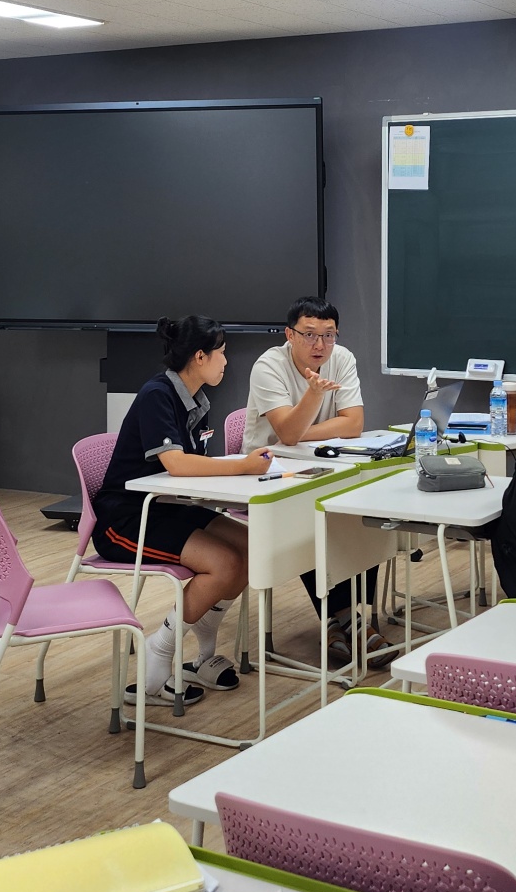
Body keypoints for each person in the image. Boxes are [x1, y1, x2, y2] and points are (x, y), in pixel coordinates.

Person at [93, 315, 272, 705]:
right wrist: (242, 467)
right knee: (224, 563)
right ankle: (159, 655)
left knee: (253, 547)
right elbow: (177, 464)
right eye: (222, 353)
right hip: (126, 520)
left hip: (168, 507)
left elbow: (193, 469)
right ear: (200, 356)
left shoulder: (196, 399)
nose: (226, 361)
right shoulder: (157, 394)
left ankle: (203, 652)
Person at [244, 296, 390, 668]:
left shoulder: (343, 358)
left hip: (319, 464)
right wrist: (310, 405)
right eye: (309, 334)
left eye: (329, 335)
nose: (320, 345)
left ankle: (341, 620)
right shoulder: (268, 366)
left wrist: (298, 433)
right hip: (266, 475)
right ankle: (347, 619)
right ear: (289, 334)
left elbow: (353, 423)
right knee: (312, 520)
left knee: (362, 513)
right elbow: (287, 435)